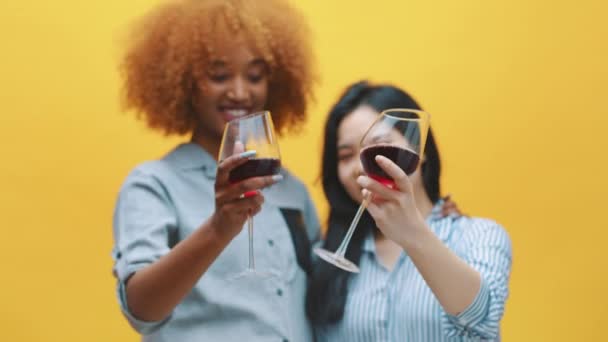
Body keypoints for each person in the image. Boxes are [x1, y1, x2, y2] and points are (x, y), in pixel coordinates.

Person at [111, 0, 319, 341]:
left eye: (255, 76)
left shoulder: (292, 189)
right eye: (219, 75)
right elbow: (141, 309)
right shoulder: (153, 184)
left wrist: (425, 212)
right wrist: (219, 227)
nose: (240, 92)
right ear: (184, 83)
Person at [306, 81, 512, 341]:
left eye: (378, 145)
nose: (360, 166)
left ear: (420, 150)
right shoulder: (328, 260)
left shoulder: (478, 236)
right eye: (346, 155)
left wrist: (412, 234)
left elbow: (482, 318)